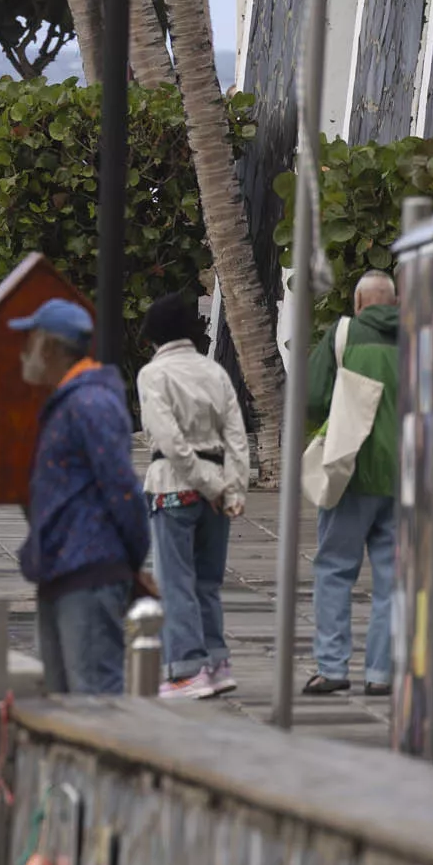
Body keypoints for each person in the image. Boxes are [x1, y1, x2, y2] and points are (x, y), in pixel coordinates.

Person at [12, 298, 148, 695]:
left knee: (93, 702)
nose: (24, 353)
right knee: (63, 703)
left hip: (88, 570)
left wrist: (131, 559)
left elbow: (122, 487)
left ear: (49, 347)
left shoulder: (90, 402)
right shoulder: (70, 401)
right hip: (62, 569)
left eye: (30, 341)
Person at [136, 292, 251, 700]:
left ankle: (186, 669)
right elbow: (236, 436)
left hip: (173, 487)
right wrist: (231, 488)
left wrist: (207, 483)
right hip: (216, 489)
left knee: (176, 582)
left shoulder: (153, 375)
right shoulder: (214, 372)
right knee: (207, 582)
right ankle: (217, 663)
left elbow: (169, 440)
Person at [306, 273, 402, 696]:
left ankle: (332, 667)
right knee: (393, 578)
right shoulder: (419, 342)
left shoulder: (343, 333)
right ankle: (381, 674)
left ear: (359, 303)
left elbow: (312, 398)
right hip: (403, 478)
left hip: (350, 471)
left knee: (334, 569)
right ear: (394, 303)